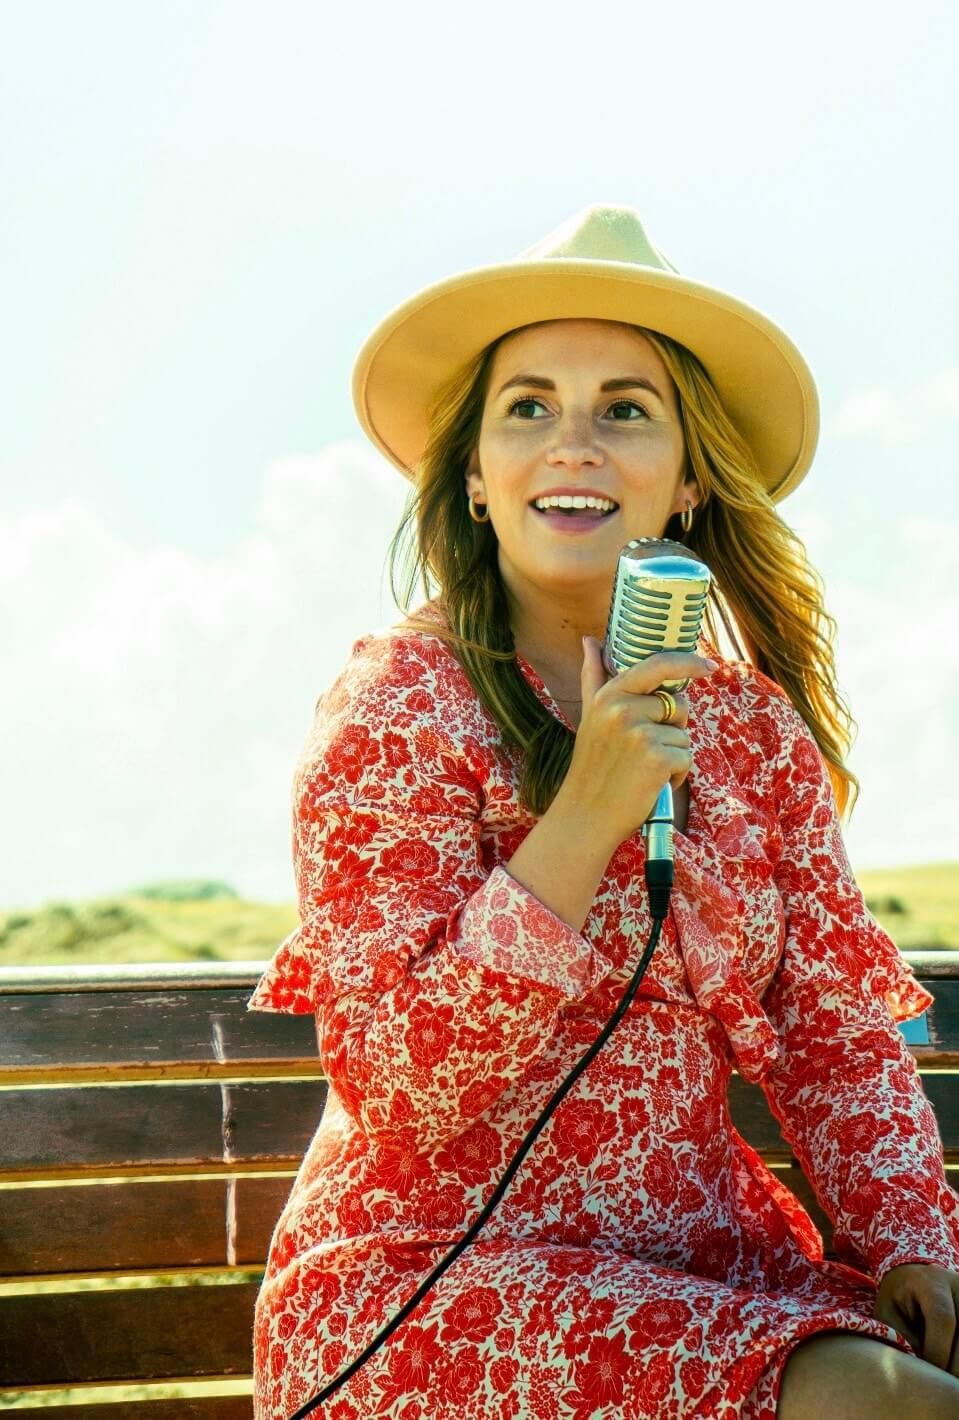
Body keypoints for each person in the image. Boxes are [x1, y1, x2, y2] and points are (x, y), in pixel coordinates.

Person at [246, 204, 959, 1419]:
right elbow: (398, 1085)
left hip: (702, 1274)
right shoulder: (396, 706)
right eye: (527, 408)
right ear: (475, 477)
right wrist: (581, 819)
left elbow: (831, 1027)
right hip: (430, 1289)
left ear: (686, 480)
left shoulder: (750, 731)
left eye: (623, 410)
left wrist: (910, 1240)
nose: (571, 443)